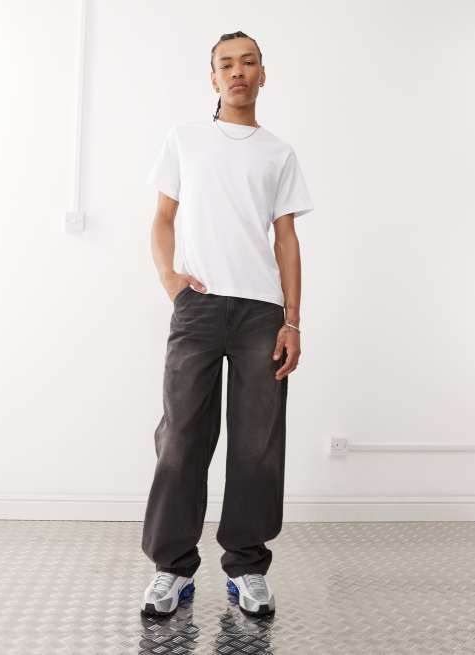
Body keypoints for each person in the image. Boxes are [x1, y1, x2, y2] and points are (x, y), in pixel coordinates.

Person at [140, 30, 314, 618]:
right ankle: (171, 569)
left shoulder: (278, 154)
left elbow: (286, 240)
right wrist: (170, 279)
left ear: (263, 74)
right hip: (198, 305)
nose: (238, 72)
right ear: (212, 78)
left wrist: (293, 320)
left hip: (262, 312)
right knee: (182, 436)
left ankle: (246, 567)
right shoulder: (185, 139)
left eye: (248, 62)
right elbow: (162, 218)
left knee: (257, 443)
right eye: (226, 64)